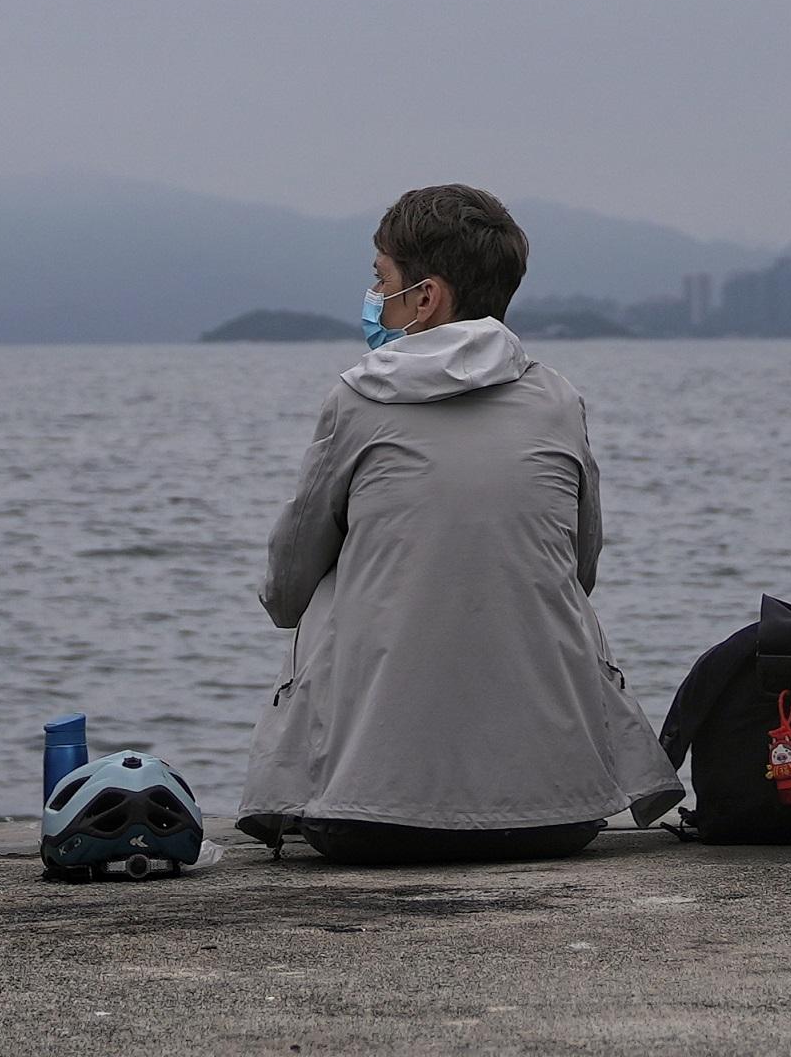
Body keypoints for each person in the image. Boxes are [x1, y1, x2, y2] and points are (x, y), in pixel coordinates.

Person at [236, 183, 681, 864]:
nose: (372, 296)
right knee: (537, 576)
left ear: (426, 298)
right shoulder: (558, 400)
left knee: (333, 578)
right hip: (560, 818)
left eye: (381, 279)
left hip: (368, 825)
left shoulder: (357, 399)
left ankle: (339, 778)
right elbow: (581, 570)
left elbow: (286, 589)